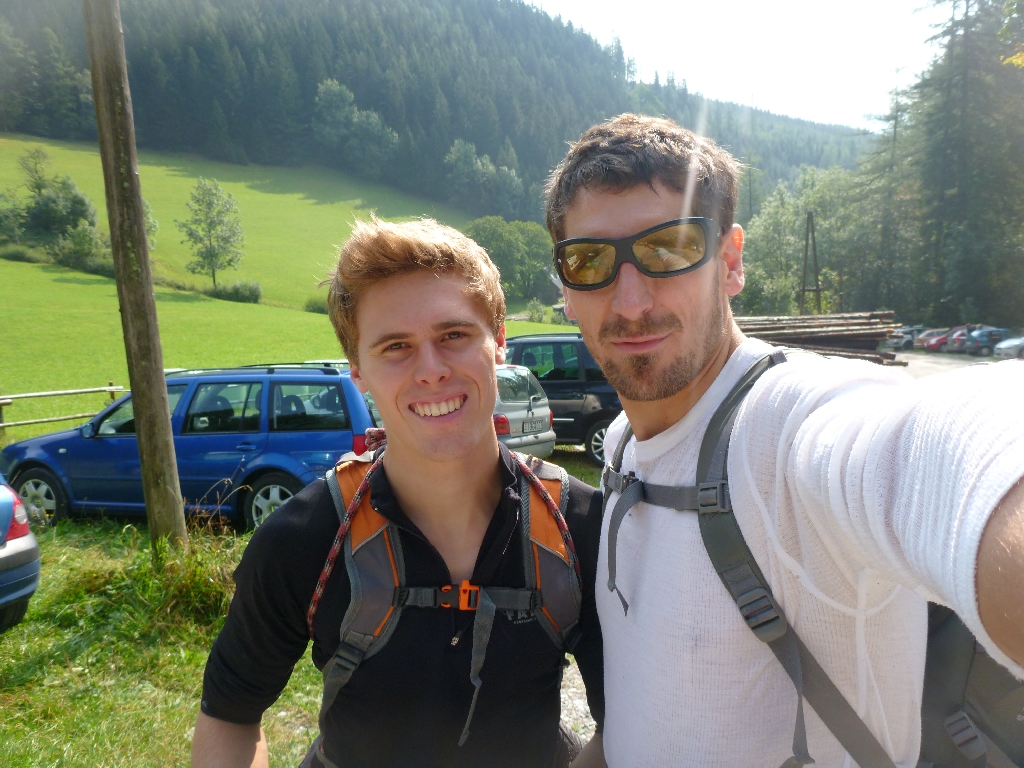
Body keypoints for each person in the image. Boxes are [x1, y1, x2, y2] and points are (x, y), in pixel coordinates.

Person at [547, 114, 1024, 767]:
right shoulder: (624, 447)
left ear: (730, 262)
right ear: (565, 289)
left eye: (670, 248)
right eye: (590, 260)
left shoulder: (790, 425)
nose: (630, 302)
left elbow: (951, 448)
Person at [191, 217, 605, 768]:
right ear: (357, 370)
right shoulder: (304, 539)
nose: (431, 370)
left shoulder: (582, 528)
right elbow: (229, 715)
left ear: (499, 342)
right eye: (396, 347)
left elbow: (627, 725)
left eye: (453, 335)